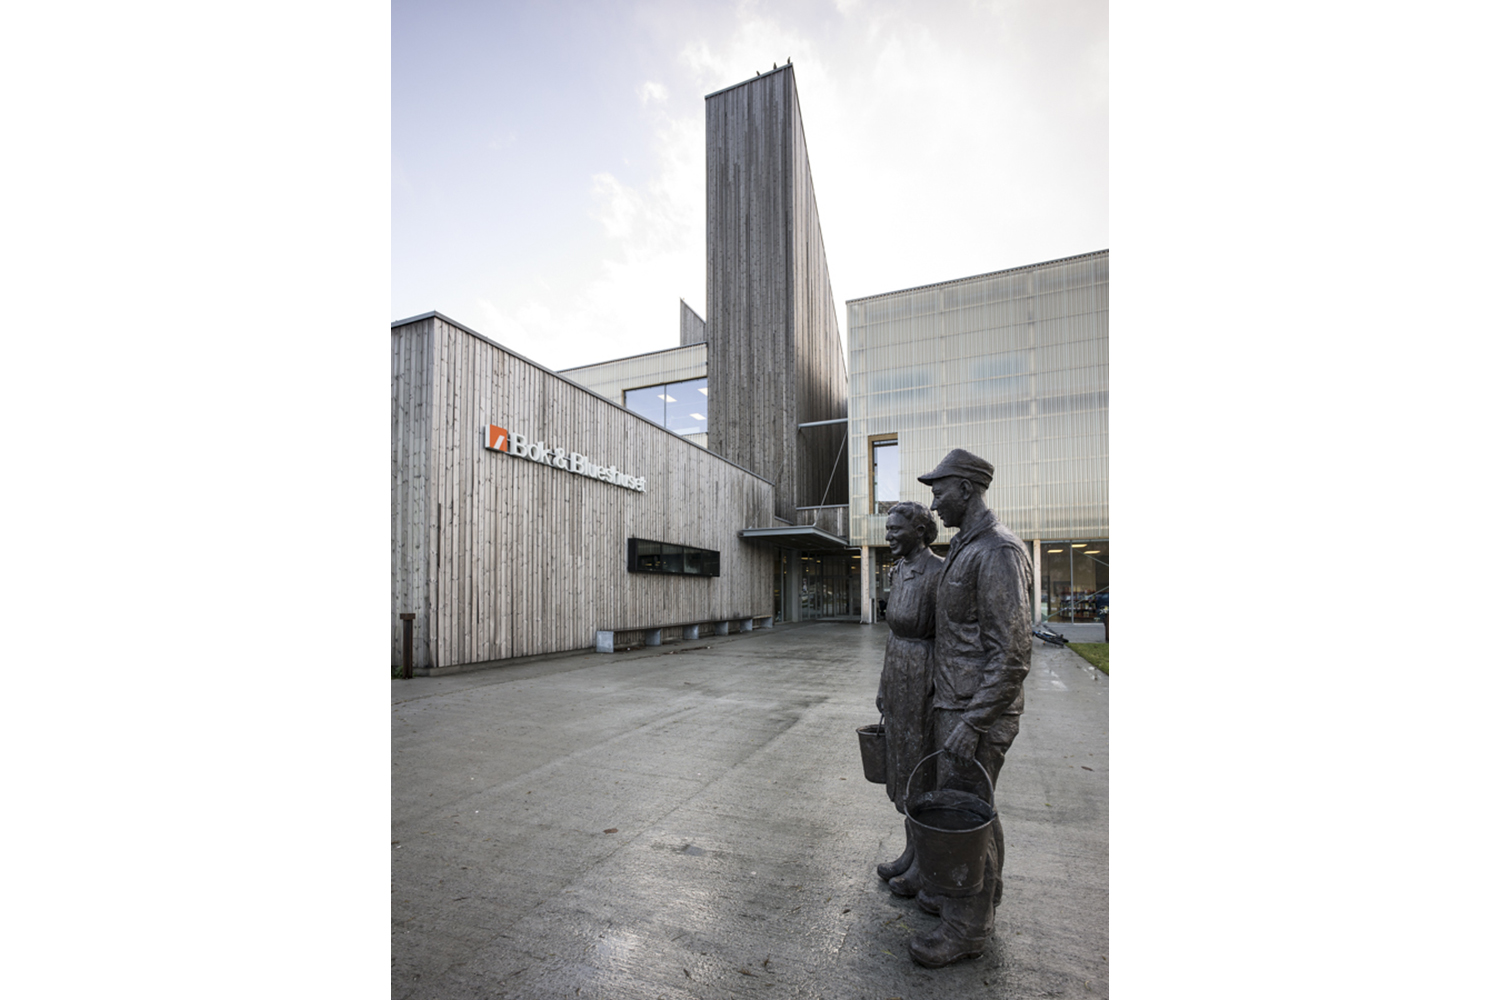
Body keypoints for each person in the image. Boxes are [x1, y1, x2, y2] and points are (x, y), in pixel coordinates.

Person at [904, 448, 1034, 969]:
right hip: (954, 703)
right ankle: (975, 897)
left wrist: (974, 721)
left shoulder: (997, 551)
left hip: (974, 712)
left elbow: (1013, 653)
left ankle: (967, 928)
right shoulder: (964, 546)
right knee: (975, 809)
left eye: (939, 493)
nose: (934, 504)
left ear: (966, 489)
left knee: (964, 817)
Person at [872, 501, 942, 884]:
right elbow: (893, 633)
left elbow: (950, 638)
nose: (889, 536)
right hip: (898, 670)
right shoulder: (898, 570)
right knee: (901, 762)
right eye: (888, 529)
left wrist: (939, 689)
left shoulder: (938, 571)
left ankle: (925, 862)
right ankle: (910, 851)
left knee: (920, 766)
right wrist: (884, 684)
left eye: (895, 529)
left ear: (919, 531)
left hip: (922, 676)